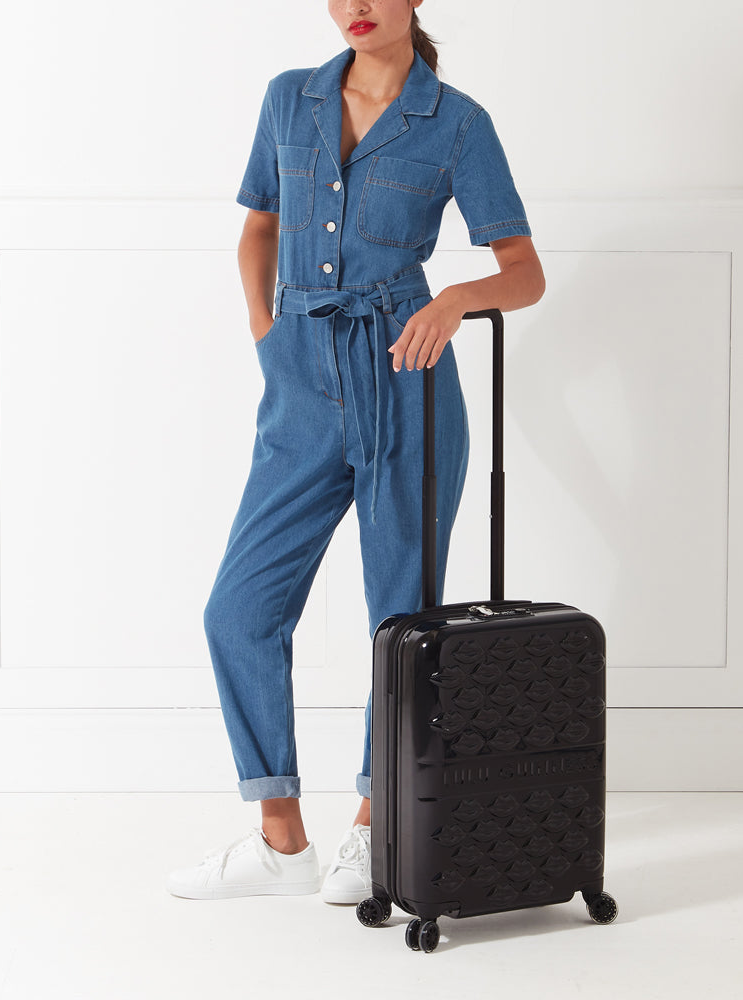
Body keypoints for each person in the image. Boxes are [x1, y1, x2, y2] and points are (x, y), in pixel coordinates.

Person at [167, 0, 544, 903]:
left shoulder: (456, 123)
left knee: (401, 624)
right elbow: (258, 228)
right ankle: (281, 840)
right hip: (299, 388)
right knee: (239, 610)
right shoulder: (288, 99)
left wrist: (454, 299)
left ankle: (377, 828)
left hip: (405, 384)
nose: (355, 7)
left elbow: (524, 271)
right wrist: (270, 339)